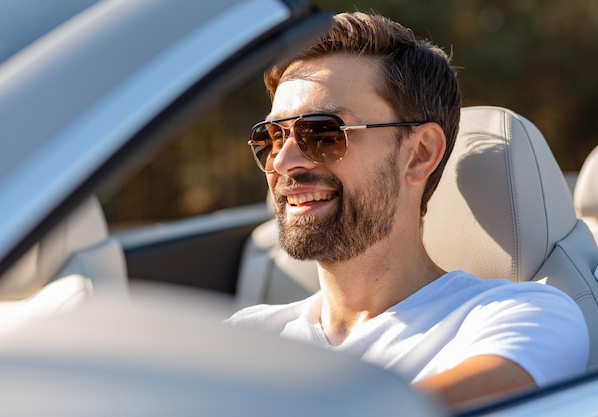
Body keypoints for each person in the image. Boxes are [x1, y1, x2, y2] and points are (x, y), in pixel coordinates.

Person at [226, 12, 589, 408]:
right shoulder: (243, 338)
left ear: (419, 154)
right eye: (273, 136)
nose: (283, 162)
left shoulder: (520, 317)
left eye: (324, 132)